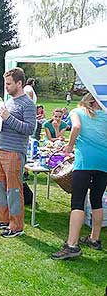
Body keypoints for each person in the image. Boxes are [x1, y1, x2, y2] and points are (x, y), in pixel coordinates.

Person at [51, 93, 107, 260]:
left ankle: (72, 245)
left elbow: (75, 128)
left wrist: (69, 146)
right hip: (103, 162)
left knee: (77, 202)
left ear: (87, 99)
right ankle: (94, 239)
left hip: (85, 162)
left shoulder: (77, 112)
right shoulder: (105, 115)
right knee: (96, 199)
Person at [0, 67, 36, 238]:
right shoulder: (8, 102)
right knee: (0, 187)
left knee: (14, 190)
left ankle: (16, 226)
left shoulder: (28, 104)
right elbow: (5, 121)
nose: (6, 86)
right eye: (5, 83)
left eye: (9, 83)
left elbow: (30, 129)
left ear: (19, 83)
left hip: (14, 152)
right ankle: (3, 219)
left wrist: (8, 117)